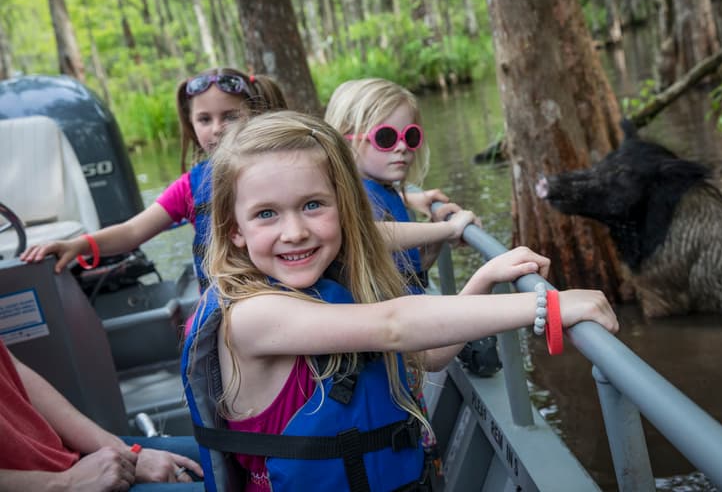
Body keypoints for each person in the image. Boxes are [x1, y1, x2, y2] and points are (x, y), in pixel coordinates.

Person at [181, 111, 618, 492]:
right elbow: (394, 323)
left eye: (313, 205)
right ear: (233, 228)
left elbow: (428, 356)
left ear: (344, 208)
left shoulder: (329, 285)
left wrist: (482, 279)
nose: (294, 231)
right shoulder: (253, 315)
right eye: (266, 214)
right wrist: (549, 306)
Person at [19, 68, 288, 333]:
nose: (216, 129)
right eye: (204, 119)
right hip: (229, 310)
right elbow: (133, 231)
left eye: (229, 116)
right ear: (191, 125)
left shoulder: (283, 171)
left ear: (254, 116)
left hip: (283, 294)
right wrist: (78, 245)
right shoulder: (190, 188)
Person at [325, 77, 475, 294]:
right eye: (386, 137)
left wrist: (434, 244)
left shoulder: (384, 190)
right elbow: (366, 234)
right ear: (346, 141)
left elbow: (408, 276)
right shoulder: (345, 196)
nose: (402, 146)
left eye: (411, 136)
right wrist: (448, 229)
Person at [0, 340, 203, 491]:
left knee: (224, 457)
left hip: (63, 456)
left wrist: (125, 453)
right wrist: (66, 484)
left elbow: (11, 368)